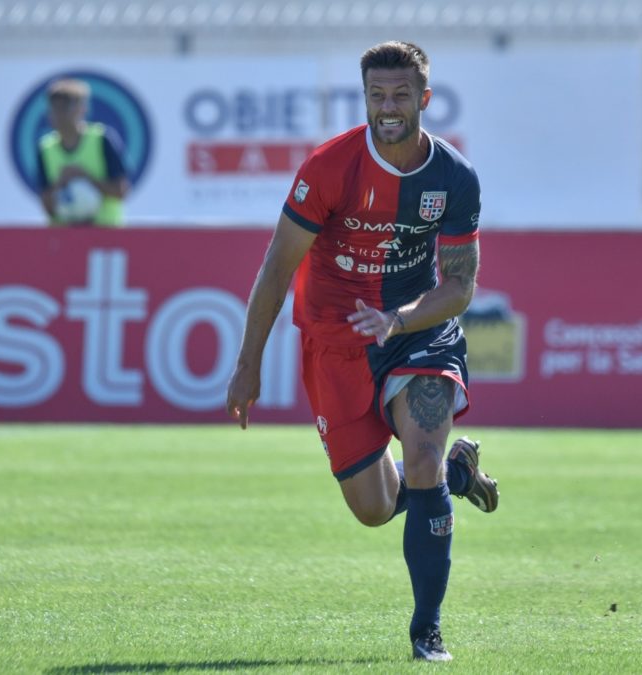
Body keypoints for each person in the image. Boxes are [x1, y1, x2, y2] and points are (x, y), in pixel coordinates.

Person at [226, 41, 499, 662]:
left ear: (425, 99)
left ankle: (427, 633)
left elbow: (459, 287)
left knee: (421, 458)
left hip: (416, 330)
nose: (388, 107)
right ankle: (459, 475)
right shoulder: (328, 168)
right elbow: (276, 269)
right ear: (365, 99)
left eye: (401, 95)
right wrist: (247, 365)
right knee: (373, 509)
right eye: (377, 95)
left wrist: (398, 319)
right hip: (336, 340)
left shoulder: (454, 177)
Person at [38, 78, 129, 227]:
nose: (59, 114)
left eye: (65, 107)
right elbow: (47, 206)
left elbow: (121, 191)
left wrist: (85, 177)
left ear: (81, 109)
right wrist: (61, 183)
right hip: (64, 235)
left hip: (105, 233)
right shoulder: (45, 148)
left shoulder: (102, 139)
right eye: (54, 108)